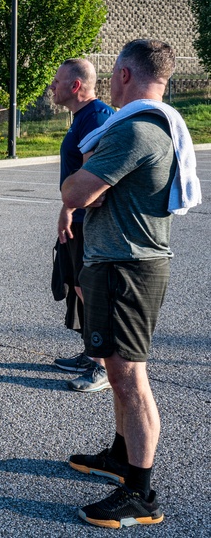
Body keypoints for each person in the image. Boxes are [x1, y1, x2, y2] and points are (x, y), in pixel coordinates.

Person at [62, 39, 201, 528]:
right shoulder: (151, 126)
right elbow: (91, 195)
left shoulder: (136, 131)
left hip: (127, 267)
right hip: (121, 263)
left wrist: (88, 181)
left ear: (123, 74)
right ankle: (123, 456)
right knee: (118, 373)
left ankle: (141, 495)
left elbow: (75, 191)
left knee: (129, 378)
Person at [49, 59, 114, 392]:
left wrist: (76, 206)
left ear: (75, 86)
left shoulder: (97, 119)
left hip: (94, 224)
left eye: (57, 81)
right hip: (79, 219)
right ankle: (92, 354)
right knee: (77, 287)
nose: (52, 86)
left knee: (89, 291)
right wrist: (66, 209)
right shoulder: (81, 118)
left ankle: (102, 366)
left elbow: (96, 183)